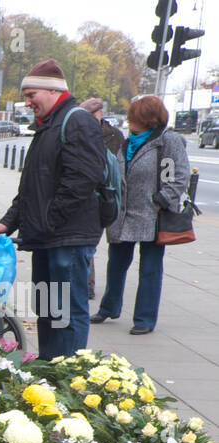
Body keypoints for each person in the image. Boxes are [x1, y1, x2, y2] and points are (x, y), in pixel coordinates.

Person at [0, 59, 106, 359]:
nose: (27, 102)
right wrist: (8, 222)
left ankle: (66, 375)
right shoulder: (49, 126)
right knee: (47, 310)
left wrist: (48, 220)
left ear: (53, 91)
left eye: (32, 95)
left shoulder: (76, 121)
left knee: (66, 313)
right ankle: (49, 369)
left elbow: (82, 180)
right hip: (49, 236)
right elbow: (32, 187)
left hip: (66, 237)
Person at [92, 95, 188, 336]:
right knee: (116, 264)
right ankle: (109, 308)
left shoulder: (168, 141)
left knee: (150, 268)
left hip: (152, 215)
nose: (129, 120)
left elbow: (179, 176)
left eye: (133, 117)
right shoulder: (128, 143)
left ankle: (144, 318)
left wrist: (162, 200)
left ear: (147, 119)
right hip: (122, 215)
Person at [81, 97, 127, 301]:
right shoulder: (108, 134)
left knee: (88, 245)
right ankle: (87, 286)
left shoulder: (113, 136)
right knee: (87, 246)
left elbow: (117, 167)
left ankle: (88, 286)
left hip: (103, 196)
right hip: (101, 197)